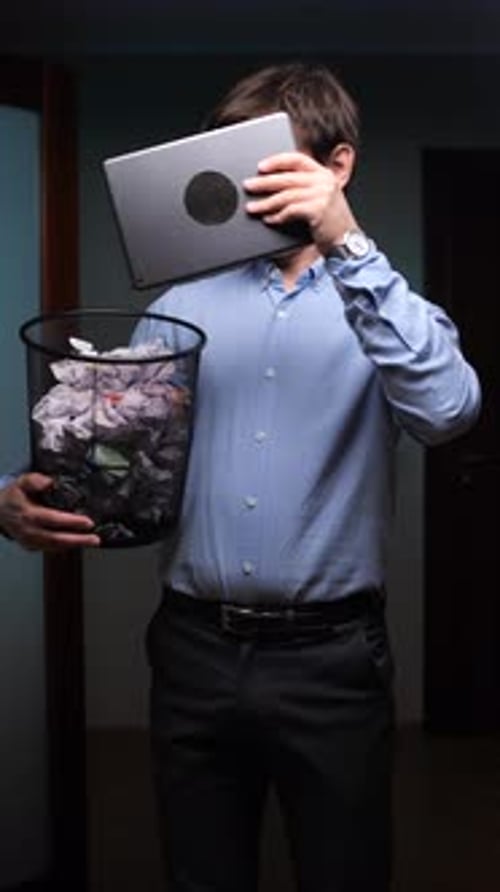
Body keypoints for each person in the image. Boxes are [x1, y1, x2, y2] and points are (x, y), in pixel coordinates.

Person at [0, 62, 481, 891]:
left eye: (275, 161)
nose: (251, 184)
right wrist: (23, 492)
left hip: (332, 661)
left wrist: (347, 242)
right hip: (192, 651)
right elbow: (112, 446)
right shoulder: (183, 307)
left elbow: (446, 411)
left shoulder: (391, 308)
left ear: (338, 166)